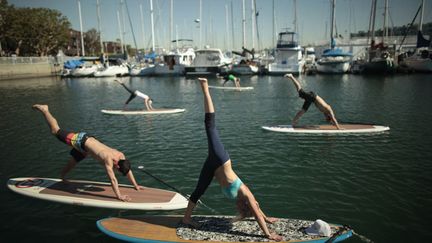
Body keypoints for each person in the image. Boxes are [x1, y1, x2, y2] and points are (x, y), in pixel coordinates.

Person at [182, 78, 283, 241]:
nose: (236, 209)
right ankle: (205, 87)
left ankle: (186, 218)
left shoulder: (243, 200)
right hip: (221, 159)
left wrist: (266, 217)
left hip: (212, 167)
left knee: (198, 191)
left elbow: (257, 208)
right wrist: (268, 233)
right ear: (244, 206)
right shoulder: (246, 195)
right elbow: (256, 210)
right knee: (210, 126)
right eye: (241, 210)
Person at [32, 104, 144, 202]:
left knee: (73, 162)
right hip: (80, 140)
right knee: (55, 131)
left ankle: (62, 176)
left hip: (86, 147)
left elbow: (128, 170)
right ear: (117, 165)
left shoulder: (121, 156)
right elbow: (113, 179)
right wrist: (119, 196)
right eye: (117, 169)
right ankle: (45, 110)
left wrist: (135, 185)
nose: (116, 170)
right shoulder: (108, 160)